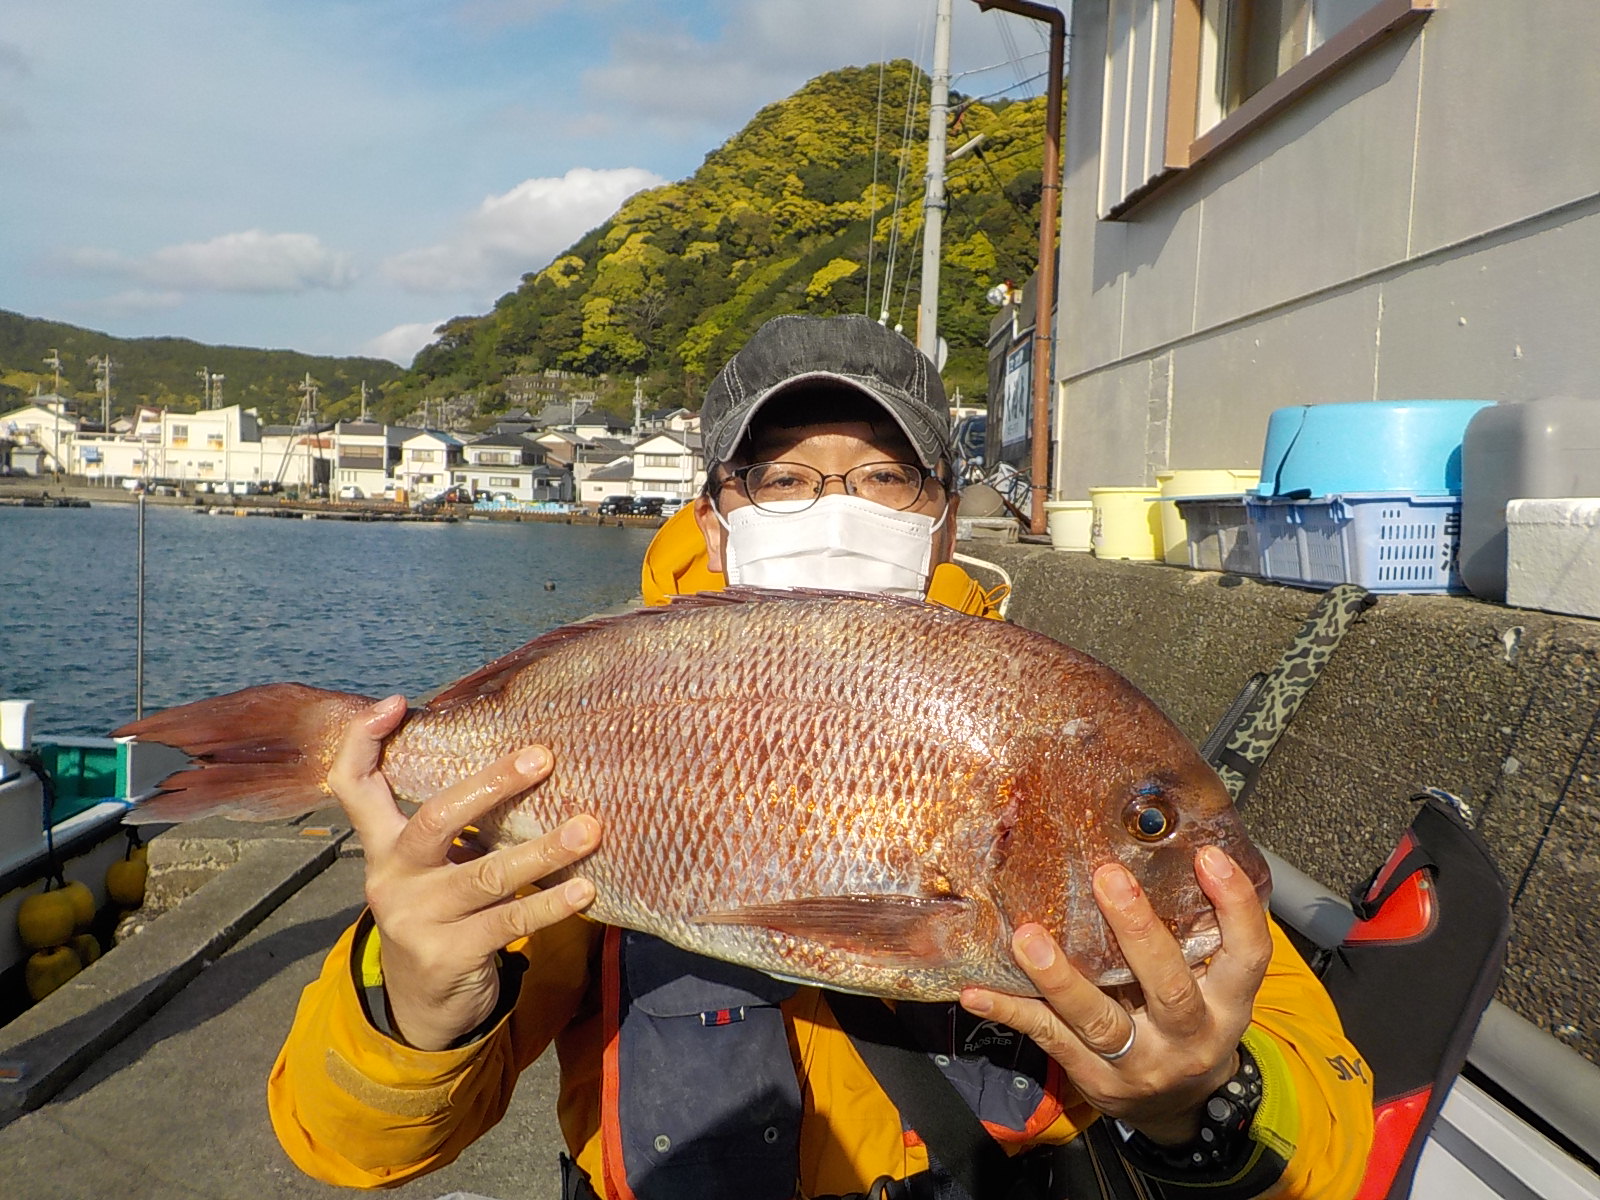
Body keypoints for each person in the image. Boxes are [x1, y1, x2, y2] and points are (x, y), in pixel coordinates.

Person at [268, 315, 1374, 1198]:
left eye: (886, 476)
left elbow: (1332, 1138)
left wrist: (1200, 1101)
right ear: (714, 518)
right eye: (782, 477)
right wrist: (410, 1003)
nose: (835, 506)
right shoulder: (582, 728)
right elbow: (352, 1148)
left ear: (942, 518)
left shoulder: (1051, 719)